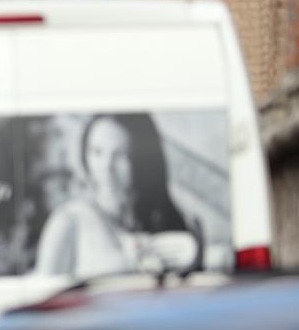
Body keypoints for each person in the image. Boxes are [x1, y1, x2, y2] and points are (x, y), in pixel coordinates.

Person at [35, 113, 197, 279]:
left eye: (120, 155)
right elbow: (43, 295)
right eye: (97, 152)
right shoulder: (69, 221)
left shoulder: (169, 223)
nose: (107, 167)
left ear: (143, 161)